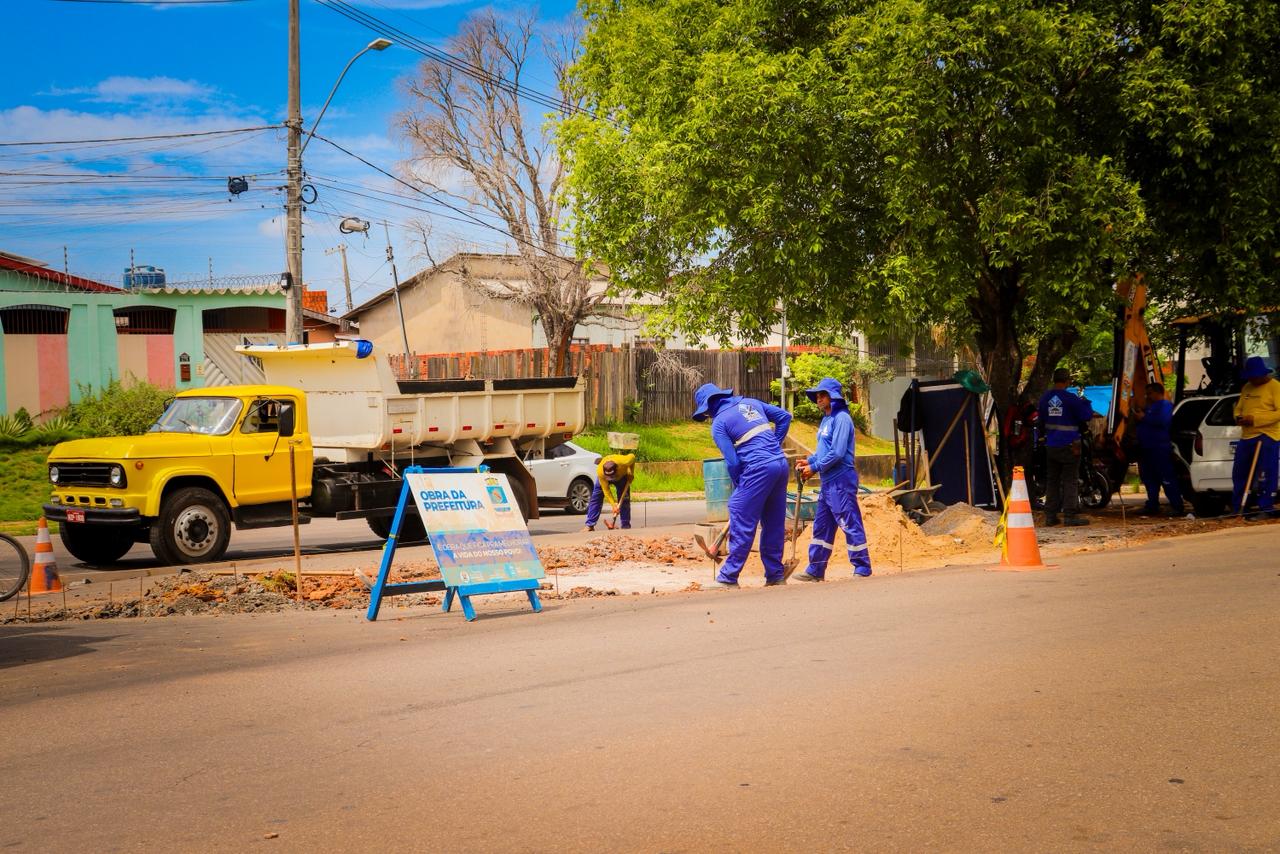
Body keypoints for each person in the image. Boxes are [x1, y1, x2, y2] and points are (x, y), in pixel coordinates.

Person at [691, 382, 792, 588]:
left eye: (706, 413)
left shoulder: (719, 423)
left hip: (758, 468)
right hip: (780, 465)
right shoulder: (751, 402)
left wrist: (740, 485)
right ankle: (775, 574)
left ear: (709, 407)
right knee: (773, 522)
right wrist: (774, 444)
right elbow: (784, 417)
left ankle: (729, 576)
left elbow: (733, 462)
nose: (708, 417)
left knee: (739, 510)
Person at [793, 378, 872, 581]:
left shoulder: (842, 419)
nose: (818, 398)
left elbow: (837, 453)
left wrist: (814, 467)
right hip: (827, 483)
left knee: (848, 522)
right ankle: (816, 569)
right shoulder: (826, 419)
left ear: (833, 397)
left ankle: (862, 567)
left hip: (841, 480)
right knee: (822, 526)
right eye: (817, 395)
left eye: (822, 394)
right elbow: (824, 450)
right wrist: (809, 461)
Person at [1037, 368, 1094, 527]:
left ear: (1054, 380)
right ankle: (1070, 516)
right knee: (1070, 480)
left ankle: (1050, 516)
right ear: (1067, 381)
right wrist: (1086, 402)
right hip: (1070, 446)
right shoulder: (1071, 398)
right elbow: (1086, 416)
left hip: (1051, 446)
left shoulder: (1045, 398)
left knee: (1052, 481)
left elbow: (1040, 421)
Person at [1232, 356, 1280, 519]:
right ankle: (1239, 507)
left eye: (1254, 376)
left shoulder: (1275, 387)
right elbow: (1238, 408)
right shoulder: (1247, 387)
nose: (1252, 379)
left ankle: (1266, 508)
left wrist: (1255, 420)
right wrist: (1238, 417)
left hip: (1267, 435)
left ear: (1262, 374)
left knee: (1266, 473)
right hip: (1247, 436)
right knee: (1239, 473)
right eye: (1249, 377)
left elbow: (1279, 413)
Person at [1135, 382, 1186, 517]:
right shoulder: (1149, 408)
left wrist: (1144, 417)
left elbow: (1163, 421)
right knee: (1149, 479)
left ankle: (1177, 506)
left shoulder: (1165, 406)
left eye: (1150, 393)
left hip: (1159, 448)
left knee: (1166, 477)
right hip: (1147, 448)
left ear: (1158, 392)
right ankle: (1152, 505)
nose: (1147, 396)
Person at [582, 454, 635, 532]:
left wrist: (631, 473)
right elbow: (606, 491)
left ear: (617, 468)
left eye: (612, 476)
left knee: (624, 500)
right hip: (604, 478)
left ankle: (625, 525)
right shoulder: (600, 472)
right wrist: (613, 506)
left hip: (622, 477)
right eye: (609, 477)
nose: (611, 479)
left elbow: (633, 457)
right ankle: (590, 525)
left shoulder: (624, 461)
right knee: (596, 497)